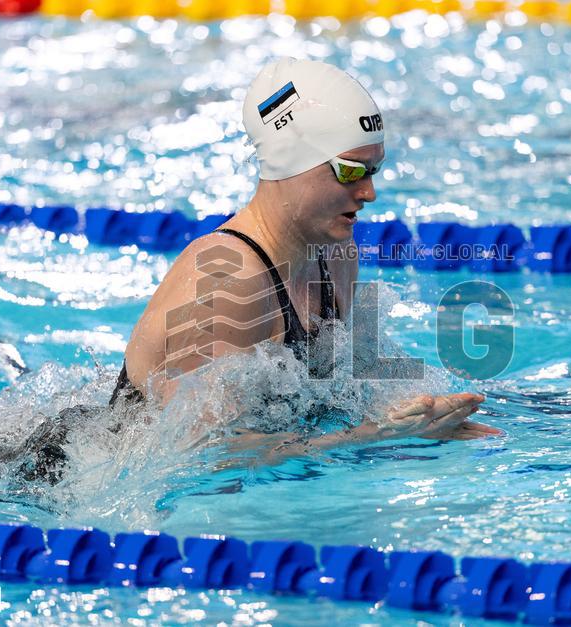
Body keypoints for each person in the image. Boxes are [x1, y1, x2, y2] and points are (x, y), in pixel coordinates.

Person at [110, 57, 501, 455]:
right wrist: (374, 436)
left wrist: (422, 418)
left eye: (373, 171)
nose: (369, 193)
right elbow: (202, 457)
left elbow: (346, 385)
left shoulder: (337, 254)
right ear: (291, 162)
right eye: (351, 171)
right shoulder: (229, 281)